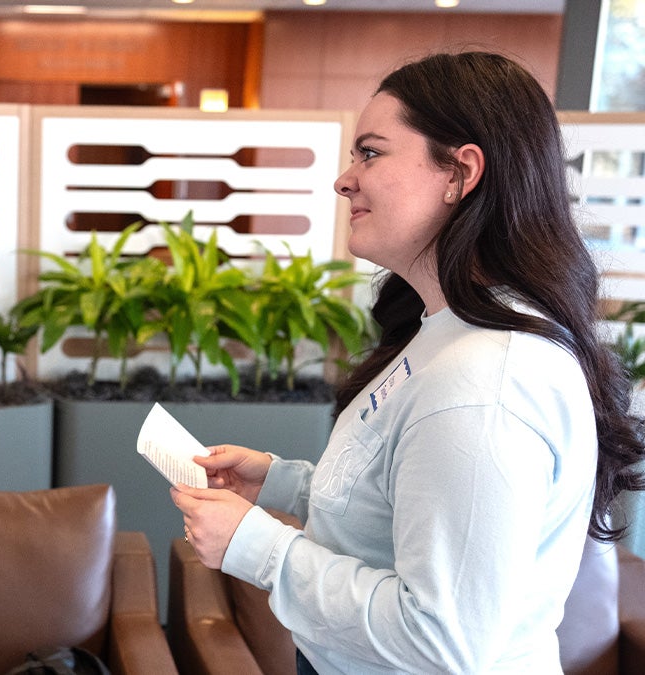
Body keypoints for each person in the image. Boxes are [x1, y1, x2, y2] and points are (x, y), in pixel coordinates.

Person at [171, 51, 645, 674]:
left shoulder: (483, 379)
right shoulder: (448, 334)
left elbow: (440, 639)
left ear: (461, 171)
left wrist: (256, 546)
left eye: (370, 153)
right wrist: (280, 482)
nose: (345, 180)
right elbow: (406, 510)